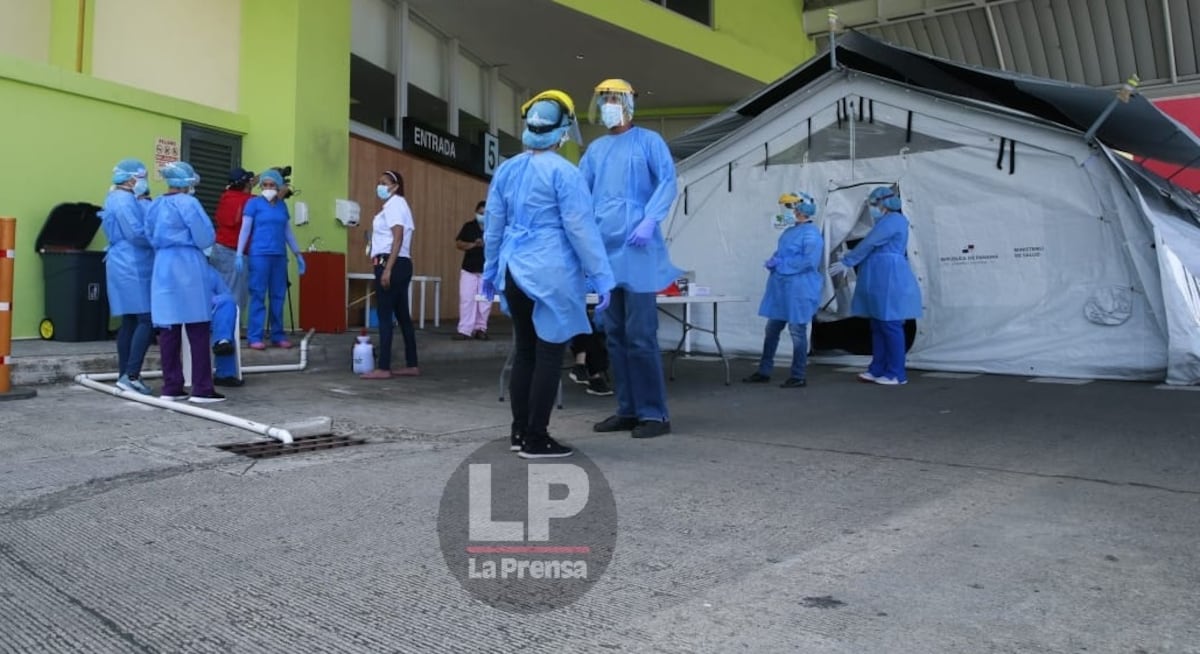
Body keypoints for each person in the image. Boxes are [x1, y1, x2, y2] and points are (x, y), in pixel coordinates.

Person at [482, 89, 615, 459]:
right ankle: (537, 439)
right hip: (550, 270)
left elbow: (493, 227)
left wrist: (491, 271)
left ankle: (518, 432)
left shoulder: (506, 169)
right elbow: (581, 229)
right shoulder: (565, 173)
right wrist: (601, 276)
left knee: (524, 351)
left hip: (514, 269)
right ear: (563, 130)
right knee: (548, 355)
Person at [579, 78, 679, 439]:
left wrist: (650, 218)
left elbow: (668, 181)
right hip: (605, 251)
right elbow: (580, 193)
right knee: (615, 334)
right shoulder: (595, 150)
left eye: (613, 99)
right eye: (603, 99)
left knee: (640, 335)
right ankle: (627, 409)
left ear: (628, 103)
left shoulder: (649, 142)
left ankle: (654, 414)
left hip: (638, 248)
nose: (607, 105)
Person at [144, 161, 224, 403]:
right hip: (187, 265)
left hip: (163, 264)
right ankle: (201, 388)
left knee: (168, 328)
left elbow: (148, 233)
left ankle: (171, 387)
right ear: (188, 182)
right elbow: (204, 236)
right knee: (198, 328)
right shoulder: (189, 203)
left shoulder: (156, 204)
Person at [828, 186, 923, 385]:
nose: (872, 208)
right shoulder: (885, 222)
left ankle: (896, 373)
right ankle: (877, 368)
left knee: (890, 323)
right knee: (878, 323)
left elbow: (870, 242)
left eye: (873, 203)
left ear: (884, 202)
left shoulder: (894, 221)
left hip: (889, 275)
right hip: (879, 273)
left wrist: (848, 260)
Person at [743, 192, 824, 388]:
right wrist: (774, 261)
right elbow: (782, 252)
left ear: (802, 210)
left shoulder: (811, 234)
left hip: (799, 289)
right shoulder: (789, 231)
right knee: (772, 330)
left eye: (792, 207)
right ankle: (764, 371)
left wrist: (782, 263)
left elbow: (809, 261)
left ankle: (798, 375)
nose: (789, 211)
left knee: (797, 331)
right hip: (782, 289)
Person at [100, 158, 155, 395]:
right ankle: (131, 375)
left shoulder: (116, 197)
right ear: (132, 178)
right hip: (131, 263)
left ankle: (126, 374)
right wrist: (159, 239)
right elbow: (135, 233)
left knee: (131, 321)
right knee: (146, 318)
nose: (142, 182)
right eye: (141, 177)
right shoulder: (123, 201)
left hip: (125, 261)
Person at [235, 169, 306, 350]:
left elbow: (287, 232)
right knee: (258, 295)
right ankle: (254, 336)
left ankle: (277, 335)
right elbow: (245, 229)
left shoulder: (282, 206)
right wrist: (239, 253)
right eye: (264, 185)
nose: (268, 188)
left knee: (278, 296)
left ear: (278, 186)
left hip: (279, 256)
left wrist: (298, 253)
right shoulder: (253, 204)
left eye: (272, 185)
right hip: (259, 255)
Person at [360, 169, 419, 379]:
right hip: (400, 263)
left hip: (391, 262)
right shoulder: (399, 205)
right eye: (379, 182)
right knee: (403, 315)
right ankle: (412, 363)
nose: (380, 186)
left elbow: (398, 237)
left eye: (384, 183)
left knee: (385, 315)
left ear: (394, 187)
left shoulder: (394, 205)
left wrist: (388, 268)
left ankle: (383, 367)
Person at [210, 167, 256, 309]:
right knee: (233, 298)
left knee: (219, 294)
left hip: (219, 250)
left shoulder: (226, 196)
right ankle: (229, 331)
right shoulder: (249, 201)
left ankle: (218, 329)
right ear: (246, 184)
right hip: (234, 253)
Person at [453, 200, 491, 340]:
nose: (482, 216)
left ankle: (481, 328)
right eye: (480, 213)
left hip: (488, 271)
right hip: (469, 269)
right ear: (476, 213)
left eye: (485, 214)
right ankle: (465, 329)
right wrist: (473, 245)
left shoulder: (494, 227)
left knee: (485, 300)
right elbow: (458, 243)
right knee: (466, 298)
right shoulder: (469, 226)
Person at [205, 264, 242, 388]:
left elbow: (226, 294)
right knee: (224, 322)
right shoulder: (179, 270)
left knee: (227, 304)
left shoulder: (210, 271)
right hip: (190, 316)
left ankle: (222, 342)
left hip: (214, 316)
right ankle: (225, 374)